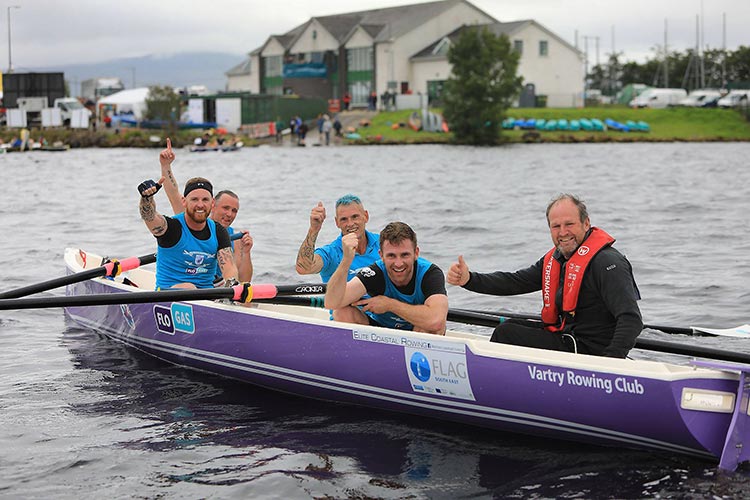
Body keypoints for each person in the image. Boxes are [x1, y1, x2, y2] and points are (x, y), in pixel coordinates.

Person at [447, 193, 642, 358]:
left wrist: (609, 365)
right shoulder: (557, 259)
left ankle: (496, 389)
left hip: (590, 354)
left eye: (569, 224)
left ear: (586, 223)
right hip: (567, 339)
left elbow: (631, 320)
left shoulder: (607, 262)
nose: (563, 232)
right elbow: (514, 282)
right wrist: (469, 279)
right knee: (512, 325)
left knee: (507, 333)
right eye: (556, 226)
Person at [325, 222, 448, 335]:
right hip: (379, 332)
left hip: (416, 333)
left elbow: (436, 321)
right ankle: (364, 356)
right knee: (341, 312)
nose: (398, 263)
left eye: (404, 255)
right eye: (391, 256)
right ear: (381, 256)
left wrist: (389, 305)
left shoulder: (430, 274)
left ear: (416, 253)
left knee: (432, 325)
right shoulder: (374, 273)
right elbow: (332, 303)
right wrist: (346, 260)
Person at [158, 138, 253, 283]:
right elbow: (173, 193)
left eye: (234, 211)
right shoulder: (191, 217)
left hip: (218, 287)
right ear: (212, 205)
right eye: (226, 208)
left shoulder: (237, 238)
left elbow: (244, 282)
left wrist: (246, 253)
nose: (229, 214)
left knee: (246, 303)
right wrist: (166, 166)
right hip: (189, 286)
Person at [138, 175, 240, 290]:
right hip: (168, 294)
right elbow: (149, 217)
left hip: (206, 296)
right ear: (184, 202)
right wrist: (147, 199)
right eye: (194, 199)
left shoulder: (218, 231)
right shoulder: (172, 227)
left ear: (212, 203)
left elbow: (229, 267)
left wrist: (233, 287)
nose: (200, 205)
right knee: (189, 287)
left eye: (205, 200)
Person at [295, 194, 379, 283]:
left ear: (366, 216)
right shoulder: (331, 253)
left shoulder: (383, 243)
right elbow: (303, 269)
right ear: (337, 222)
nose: (350, 224)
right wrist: (314, 229)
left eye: (355, 217)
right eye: (344, 219)